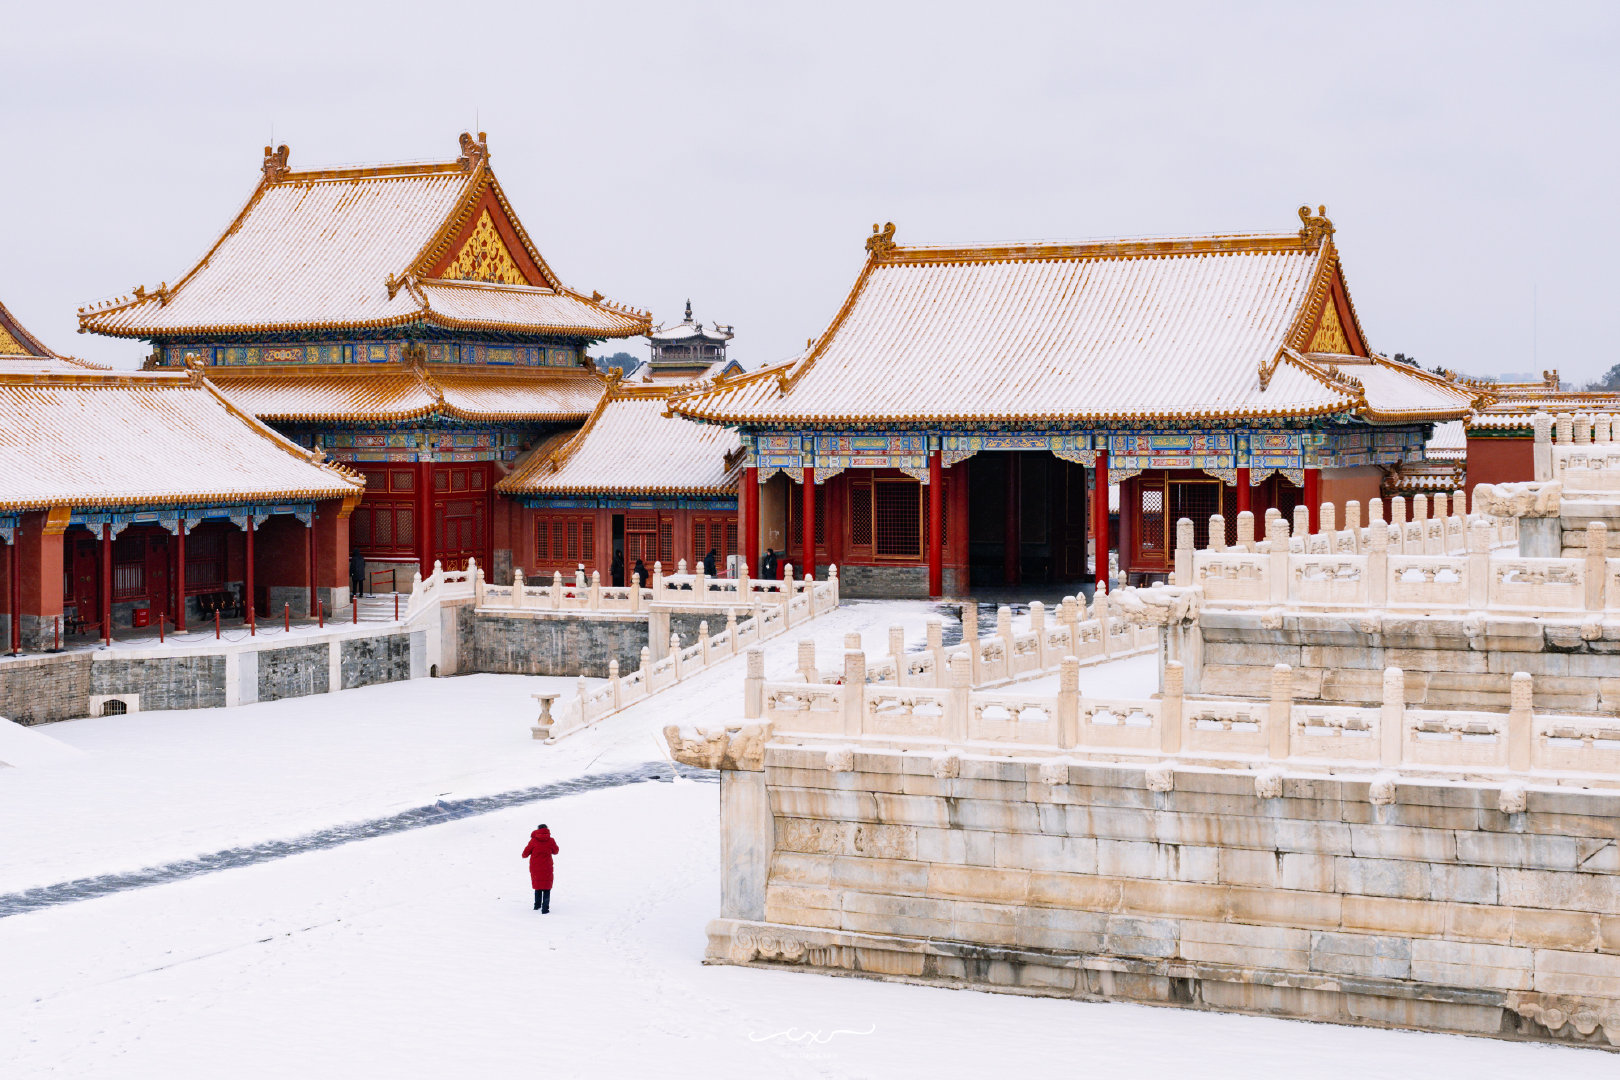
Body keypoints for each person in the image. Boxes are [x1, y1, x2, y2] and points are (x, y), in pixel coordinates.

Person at [522, 823, 559, 913]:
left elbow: (525, 854)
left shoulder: (533, 841)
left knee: (538, 886)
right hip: (547, 868)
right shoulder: (551, 840)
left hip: (535, 868)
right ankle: (545, 909)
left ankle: (537, 906)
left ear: (537, 830)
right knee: (546, 887)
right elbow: (556, 851)